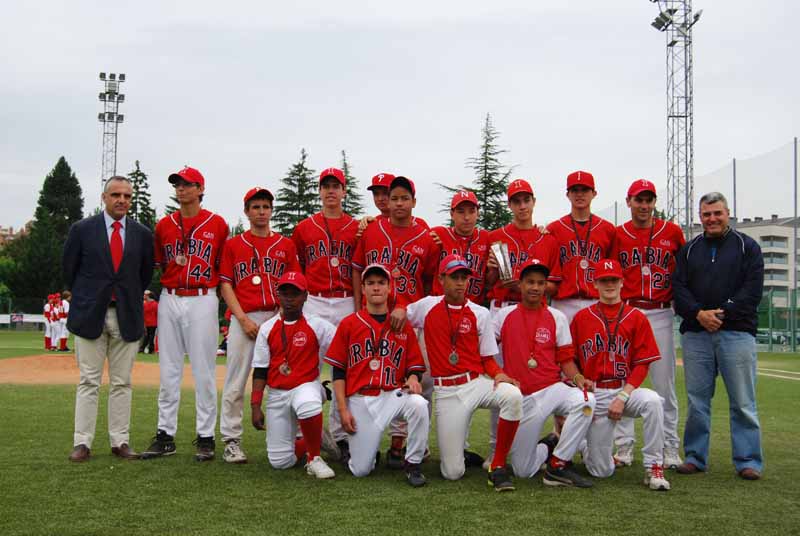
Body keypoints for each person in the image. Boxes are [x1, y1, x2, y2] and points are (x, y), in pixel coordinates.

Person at [400, 254, 523, 492]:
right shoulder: (427, 305)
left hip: (476, 382)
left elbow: (487, 357)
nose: (460, 282)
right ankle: (458, 455)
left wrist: (498, 373)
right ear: (441, 279)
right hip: (447, 391)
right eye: (454, 277)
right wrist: (398, 309)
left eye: (464, 278)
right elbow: (402, 315)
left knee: (513, 395)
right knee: (452, 473)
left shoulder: (480, 313)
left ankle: (497, 466)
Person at [62, 175, 154, 462]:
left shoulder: (142, 234)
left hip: (126, 314)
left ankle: (120, 441)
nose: (122, 200)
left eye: (127, 196)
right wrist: (87, 296)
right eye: (116, 195)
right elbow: (69, 269)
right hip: (91, 314)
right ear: (104, 197)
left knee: (122, 382)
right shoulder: (82, 229)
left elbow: (144, 274)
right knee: (89, 380)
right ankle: (82, 443)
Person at [673, 192, 764, 480]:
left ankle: (748, 460)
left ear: (728, 214)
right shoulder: (689, 250)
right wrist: (700, 314)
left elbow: (752, 291)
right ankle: (695, 457)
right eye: (706, 214)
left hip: (737, 333)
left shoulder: (747, 247)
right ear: (700, 217)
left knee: (742, 402)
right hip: (696, 334)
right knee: (698, 401)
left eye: (717, 213)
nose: (711, 219)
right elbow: (679, 289)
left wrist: (720, 314)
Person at [141, 166, 229, 462]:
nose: (181, 188)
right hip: (170, 297)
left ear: (200, 189)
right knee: (168, 370)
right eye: (177, 184)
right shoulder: (164, 225)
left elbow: (221, 265)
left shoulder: (218, 224)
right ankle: (165, 435)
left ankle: (206, 437)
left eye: (187, 184)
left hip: (203, 297)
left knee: (203, 370)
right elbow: (162, 263)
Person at [351, 175, 438, 468]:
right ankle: (361, 437)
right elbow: (358, 269)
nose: (398, 203)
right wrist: (357, 306)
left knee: (419, 380)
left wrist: (410, 308)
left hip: (410, 316)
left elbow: (428, 280)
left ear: (413, 201)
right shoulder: (372, 230)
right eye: (394, 198)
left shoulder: (426, 237)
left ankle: (406, 443)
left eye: (404, 198)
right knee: (374, 377)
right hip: (374, 315)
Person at [217, 186, 301, 464]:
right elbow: (226, 284)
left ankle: (291, 436)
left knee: (285, 378)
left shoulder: (285, 245)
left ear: (271, 210)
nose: (261, 212)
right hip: (245, 317)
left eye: (265, 206)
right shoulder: (233, 244)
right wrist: (242, 319)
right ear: (246, 211)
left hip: (277, 317)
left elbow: (294, 284)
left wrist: (280, 316)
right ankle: (231, 440)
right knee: (236, 380)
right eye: (256, 207)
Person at [493, 258, 595, 488]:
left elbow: (566, 359)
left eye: (541, 283)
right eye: (530, 282)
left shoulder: (556, 317)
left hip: (552, 388)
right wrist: (498, 373)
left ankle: (559, 464)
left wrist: (578, 378)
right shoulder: (504, 315)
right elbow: (487, 353)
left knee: (587, 400)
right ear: (520, 284)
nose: (535, 288)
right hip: (525, 397)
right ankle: (551, 444)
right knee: (523, 471)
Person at [570, 259, 671, 491]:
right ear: (594, 284)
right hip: (595, 392)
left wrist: (624, 396)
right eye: (604, 280)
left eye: (613, 280)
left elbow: (642, 364)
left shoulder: (637, 317)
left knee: (653, 401)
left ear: (622, 282)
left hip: (623, 390)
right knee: (601, 471)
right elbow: (570, 361)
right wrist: (578, 381)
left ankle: (654, 466)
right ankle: (587, 447)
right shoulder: (582, 318)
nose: (609, 285)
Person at [325, 264, 429, 486]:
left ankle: (413, 464)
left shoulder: (401, 324)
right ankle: (362, 452)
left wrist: (412, 378)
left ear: (389, 288)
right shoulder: (349, 324)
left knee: (419, 404)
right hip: (360, 399)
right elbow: (338, 371)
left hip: (392, 395)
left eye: (381, 283)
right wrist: (343, 410)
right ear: (362, 289)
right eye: (370, 283)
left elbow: (415, 366)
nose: (376, 288)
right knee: (361, 470)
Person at [611, 179, 685, 469]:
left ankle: (669, 447)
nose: (643, 205)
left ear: (654, 202)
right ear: (628, 202)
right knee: (623, 380)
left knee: (663, 382)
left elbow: (685, 271)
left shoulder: (673, 232)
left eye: (648, 200)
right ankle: (624, 446)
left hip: (661, 311)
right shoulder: (618, 235)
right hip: (628, 311)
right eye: (638, 200)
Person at [291, 168, 360, 458]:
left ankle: (341, 435)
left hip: (345, 300)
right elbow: (298, 269)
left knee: (345, 369)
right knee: (307, 366)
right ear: (320, 191)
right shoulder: (304, 228)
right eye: (326, 186)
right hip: (315, 301)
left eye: (336, 186)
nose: (331, 191)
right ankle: (302, 431)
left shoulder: (357, 227)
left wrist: (359, 307)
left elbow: (360, 269)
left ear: (344, 192)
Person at [250, 271, 337, 479]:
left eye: (295, 294)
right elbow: (261, 369)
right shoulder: (267, 328)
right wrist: (255, 405)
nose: (289, 299)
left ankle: (314, 458)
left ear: (305, 296)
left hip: (305, 385)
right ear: (278, 296)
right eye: (285, 293)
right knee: (280, 463)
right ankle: (314, 440)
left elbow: (341, 348)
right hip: (277, 393)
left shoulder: (317, 324)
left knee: (308, 402)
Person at [547, 171, 615, 323]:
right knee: (564, 346)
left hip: (596, 301)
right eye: (574, 190)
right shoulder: (554, 229)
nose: (579, 195)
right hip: (564, 303)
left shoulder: (608, 229)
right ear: (568, 194)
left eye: (584, 190)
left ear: (594, 193)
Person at [430, 190, 494, 304]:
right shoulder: (438, 234)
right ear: (452, 214)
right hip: (440, 305)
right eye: (461, 212)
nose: (467, 217)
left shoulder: (487, 238)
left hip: (473, 308)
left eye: (472, 211)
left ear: (478, 213)